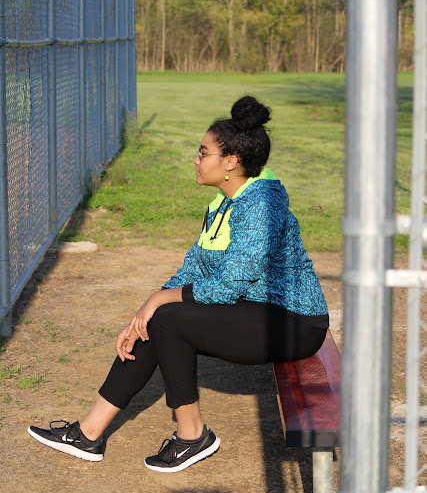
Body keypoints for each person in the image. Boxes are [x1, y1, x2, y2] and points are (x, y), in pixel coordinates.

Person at [28, 95, 328, 473]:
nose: (196, 159)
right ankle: (88, 433)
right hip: (255, 308)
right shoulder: (225, 201)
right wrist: (144, 310)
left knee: (168, 319)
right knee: (158, 318)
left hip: (295, 322)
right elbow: (194, 267)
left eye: (203, 153)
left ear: (230, 162)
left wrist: (160, 300)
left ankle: (192, 436)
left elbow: (230, 284)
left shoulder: (262, 206)